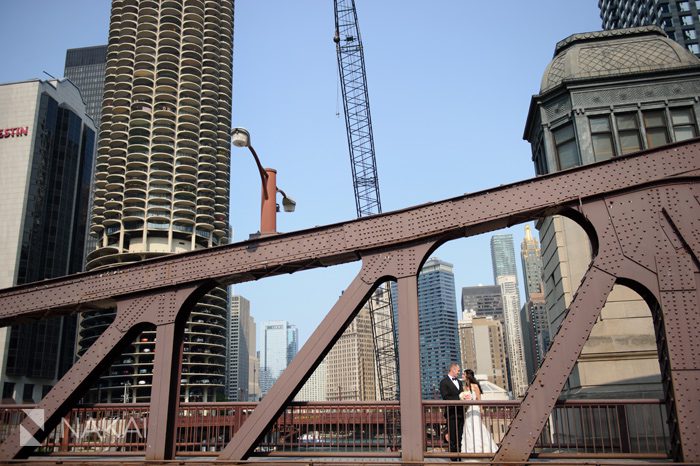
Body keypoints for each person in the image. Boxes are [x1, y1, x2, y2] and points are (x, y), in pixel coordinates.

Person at [460, 369, 498, 454]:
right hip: (469, 410)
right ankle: (469, 450)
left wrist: (481, 411)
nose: (462, 375)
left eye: (463, 374)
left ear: (467, 376)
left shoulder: (475, 386)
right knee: (469, 428)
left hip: (475, 409)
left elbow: (479, 399)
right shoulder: (464, 387)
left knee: (477, 427)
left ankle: (481, 448)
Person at [439, 362, 464, 460]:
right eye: (458, 371)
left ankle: (460, 456)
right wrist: (459, 397)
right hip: (451, 413)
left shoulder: (460, 382)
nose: (458, 373)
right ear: (453, 369)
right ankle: (453, 458)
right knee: (452, 435)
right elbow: (445, 397)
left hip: (460, 412)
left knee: (460, 435)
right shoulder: (444, 382)